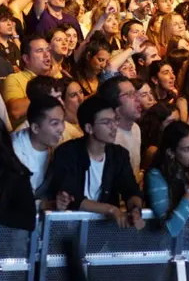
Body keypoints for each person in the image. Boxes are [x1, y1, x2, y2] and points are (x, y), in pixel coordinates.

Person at [45, 96, 144, 229]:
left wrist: (136, 210)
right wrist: (111, 209)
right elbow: (72, 197)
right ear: (89, 128)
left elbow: (131, 189)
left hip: (103, 230)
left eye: (115, 120)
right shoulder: (67, 152)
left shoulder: (119, 154)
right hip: (68, 227)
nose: (114, 126)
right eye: (106, 122)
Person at [12, 94, 65, 194]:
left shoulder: (56, 141)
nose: (61, 129)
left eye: (62, 122)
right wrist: (44, 205)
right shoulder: (16, 151)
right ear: (35, 128)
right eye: (55, 123)